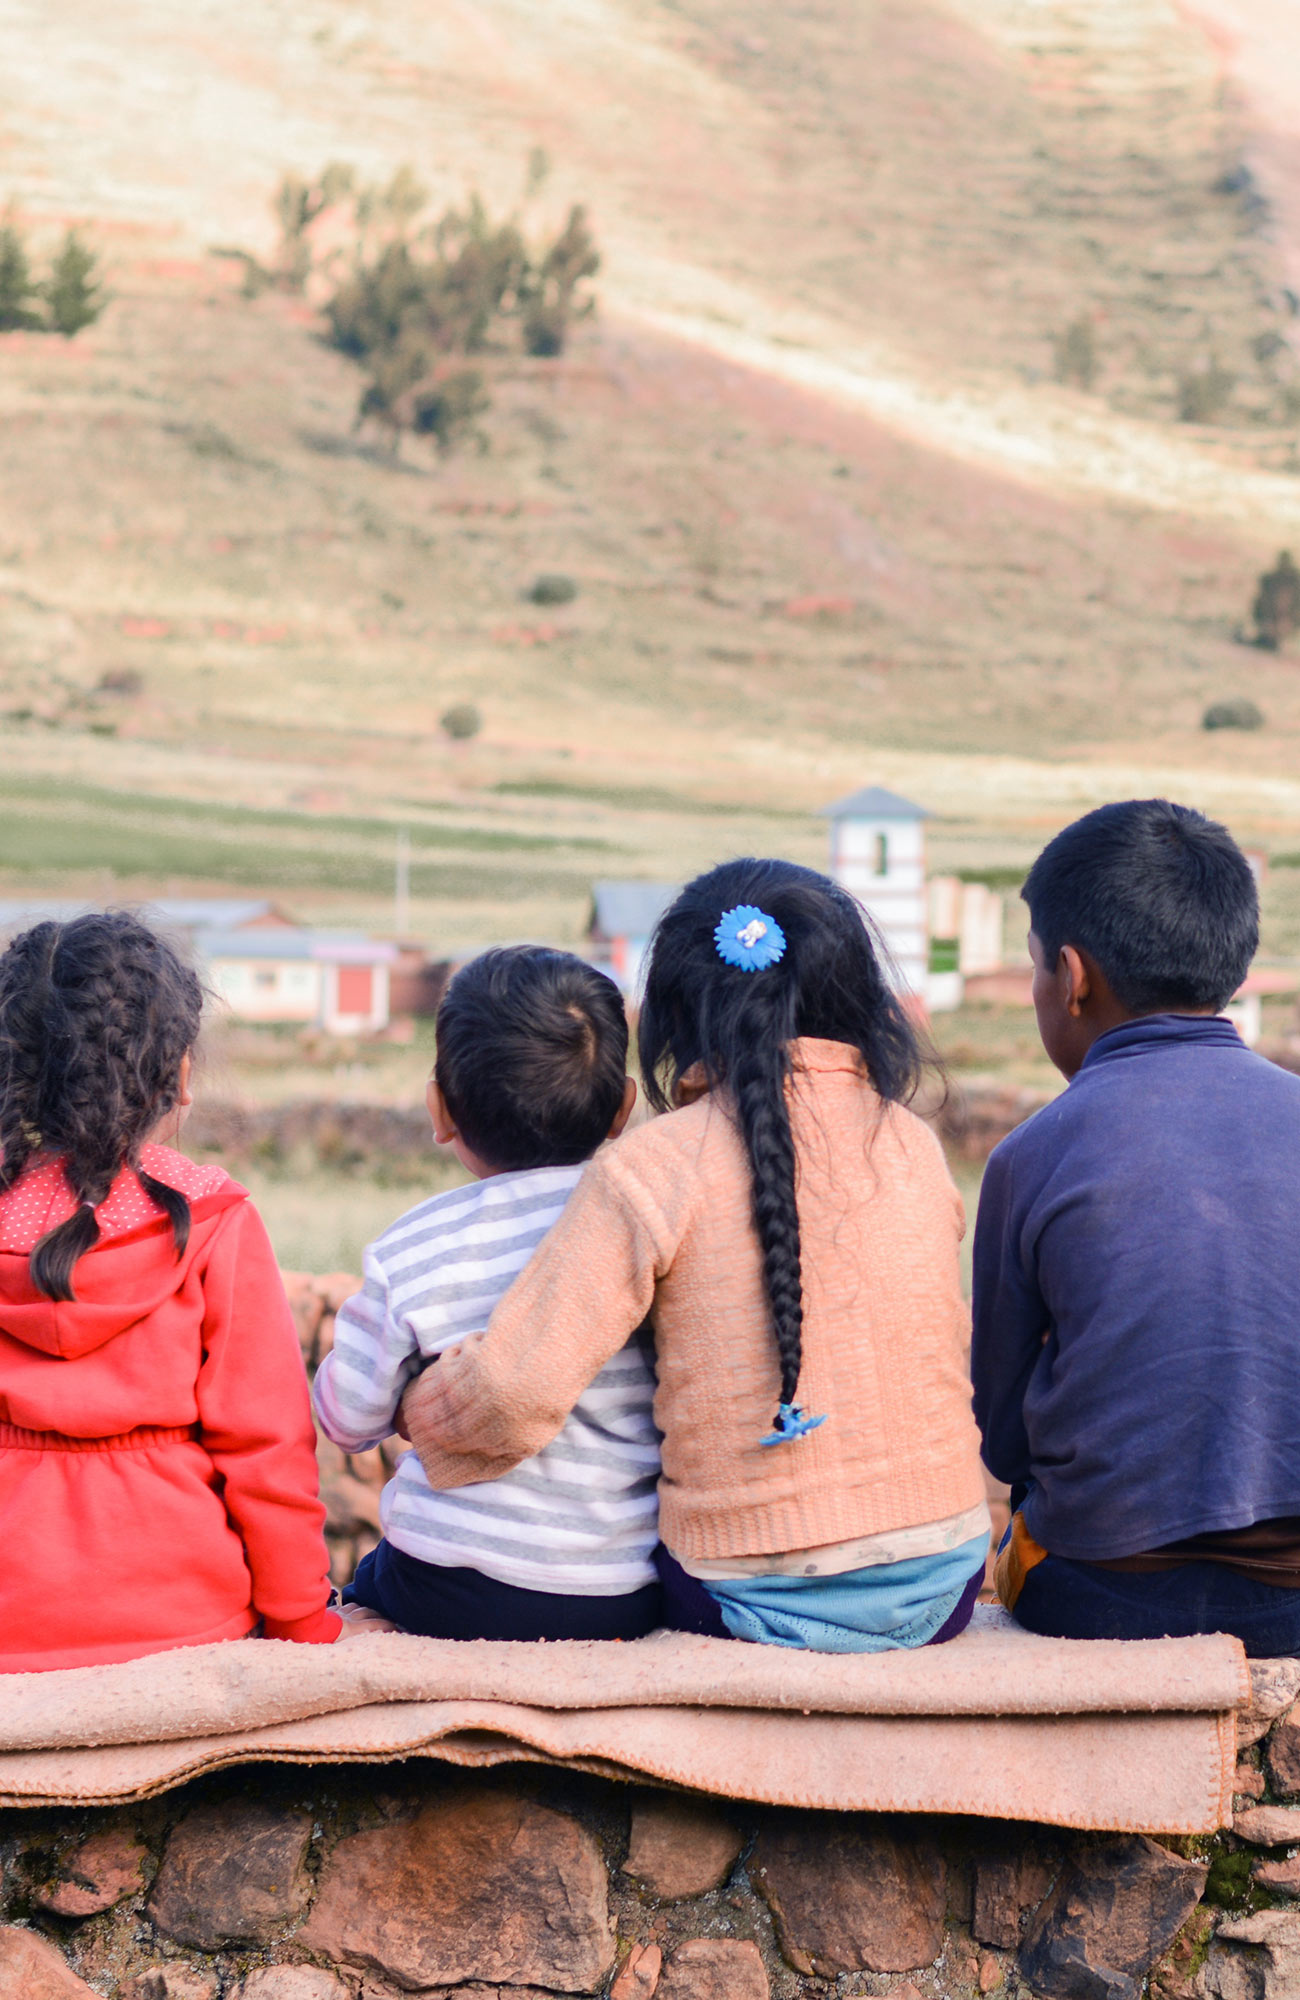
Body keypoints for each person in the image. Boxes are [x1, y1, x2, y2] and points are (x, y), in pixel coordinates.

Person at [401, 859, 991, 1654]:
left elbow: (512, 1391)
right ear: (856, 996)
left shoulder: (654, 1167)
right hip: (945, 1579)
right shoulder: (913, 1145)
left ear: (675, 1013)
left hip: (744, 1601)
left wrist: (421, 1406)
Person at [971, 797, 1300, 1655]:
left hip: (1096, 1594)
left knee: (1012, 1544)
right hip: (1295, 1600)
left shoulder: (1031, 1154)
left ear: (1072, 978)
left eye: (1038, 969)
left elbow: (1002, 1438)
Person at [0, 912, 340, 1671]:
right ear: (180, 1071)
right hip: (183, 1614)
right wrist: (301, 1620)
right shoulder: (215, 1218)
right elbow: (267, 1449)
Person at [313, 946, 663, 1641]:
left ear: (439, 1108)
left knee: (357, 1592)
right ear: (623, 1107)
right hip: (626, 1587)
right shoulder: (651, 1232)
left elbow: (346, 1419)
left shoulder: (414, 1247)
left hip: (451, 1584)